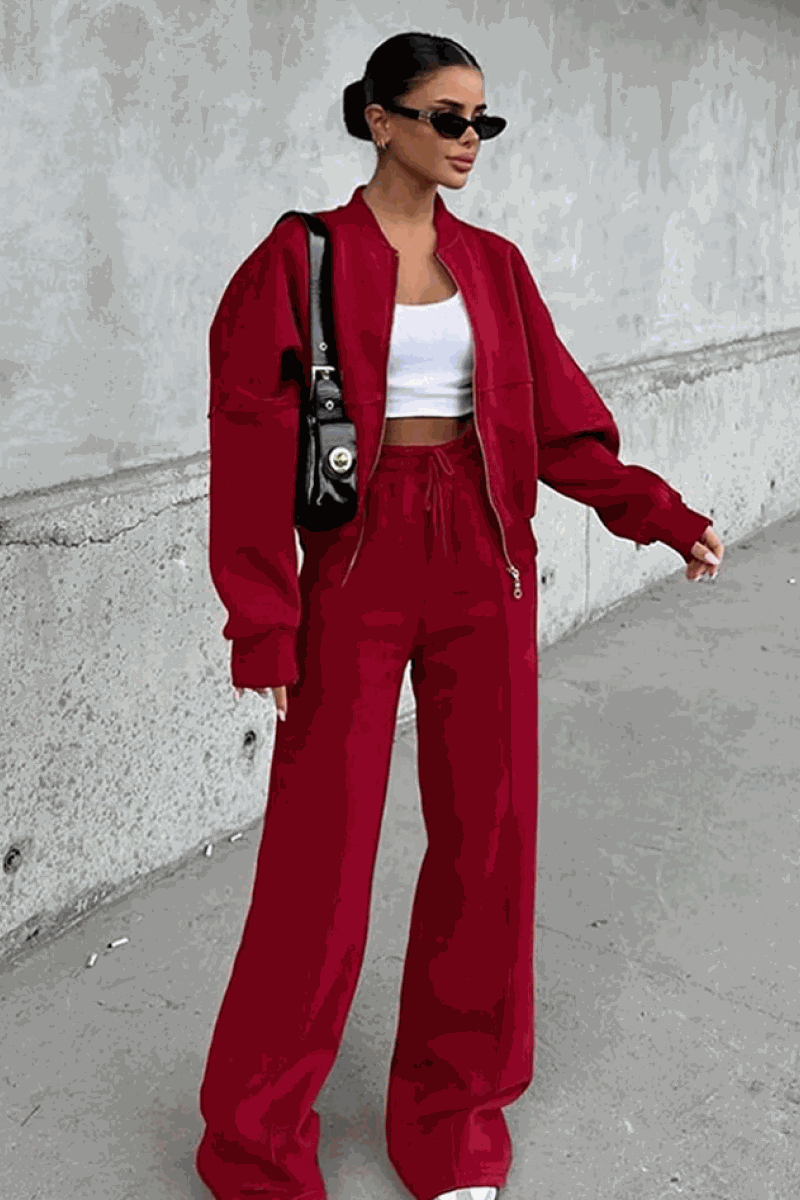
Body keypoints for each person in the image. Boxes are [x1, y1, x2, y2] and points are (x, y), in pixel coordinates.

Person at [195, 30, 725, 1200]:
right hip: (355, 563)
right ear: (378, 120)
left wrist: (656, 513)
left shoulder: (492, 265)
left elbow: (558, 420)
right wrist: (261, 618)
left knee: (487, 842)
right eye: (446, 116)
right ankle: (254, 1143)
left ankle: (449, 1119)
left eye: (482, 119)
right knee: (318, 857)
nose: (469, 138)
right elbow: (248, 438)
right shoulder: (300, 257)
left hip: (485, 562)